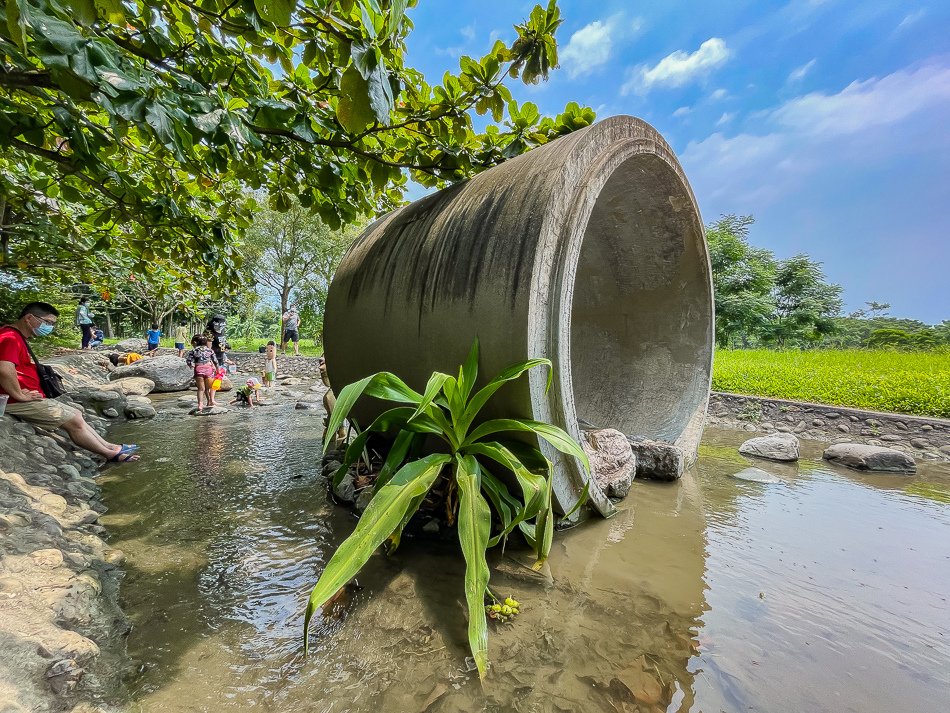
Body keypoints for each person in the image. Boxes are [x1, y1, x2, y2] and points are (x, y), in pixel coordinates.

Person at [0, 303, 139, 462]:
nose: (50, 327)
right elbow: (4, 368)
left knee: (77, 414)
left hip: (21, 396)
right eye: (48, 323)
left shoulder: (15, 336)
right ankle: (110, 454)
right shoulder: (9, 337)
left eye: (52, 324)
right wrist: (19, 395)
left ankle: (110, 446)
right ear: (29, 318)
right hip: (14, 400)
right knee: (74, 420)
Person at [186, 335, 218, 411]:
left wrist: (191, 365)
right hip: (208, 369)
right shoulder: (210, 350)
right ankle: (210, 402)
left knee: (201, 389)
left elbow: (188, 361)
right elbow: (215, 361)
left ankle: (200, 404)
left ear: (196, 342)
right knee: (208, 388)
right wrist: (217, 369)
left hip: (198, 369)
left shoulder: (193, 350)